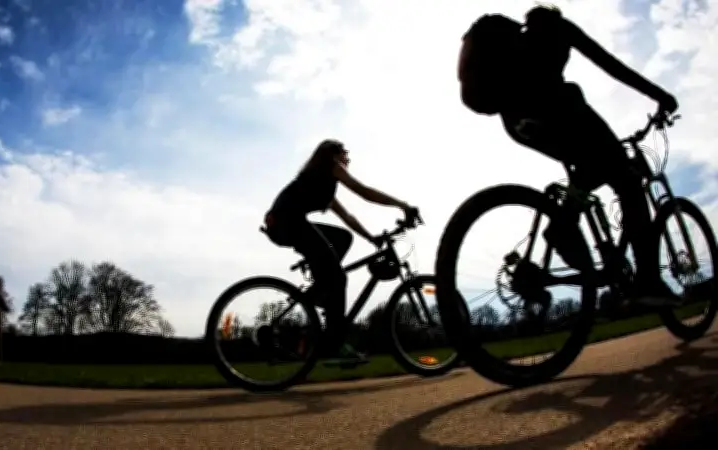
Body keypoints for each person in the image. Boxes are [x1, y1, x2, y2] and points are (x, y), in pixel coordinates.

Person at [457, 5, 681, 307]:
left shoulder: (518, 41)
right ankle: (648, 283)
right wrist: (660, 96)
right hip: (560, 109)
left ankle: (563, 223)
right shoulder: (559, 28)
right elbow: (612, 66)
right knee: (627, 180)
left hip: (518, 124)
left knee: (589, 167)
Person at [262, 139, 420, 363]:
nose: (348, 158)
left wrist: (371, 238)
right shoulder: (331, 168)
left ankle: (322, 282)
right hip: (287, 223)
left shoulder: (323, 183)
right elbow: (363, 191)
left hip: (285, 224)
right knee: (338, 278)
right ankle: (335, 346)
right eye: (344, 153)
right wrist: (402, 205)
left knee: (343, 238)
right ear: (333, 155)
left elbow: (348, 218)